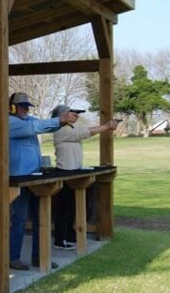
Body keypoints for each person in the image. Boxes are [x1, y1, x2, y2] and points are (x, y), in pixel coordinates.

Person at [8, 92, 78, 271]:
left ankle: (40, 257)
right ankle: (12, 257)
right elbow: (36, 127)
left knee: (41, 219)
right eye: (21, 106)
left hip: (35, 178)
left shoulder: (28, 120)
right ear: (12, 107)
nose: (25, 109)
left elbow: (43, 127)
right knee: (19, 220)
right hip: (19, 179)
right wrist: (60, 119)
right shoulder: (10, 122)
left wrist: (61, 122)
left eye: (26, 106)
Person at [51, 103, 118, 250]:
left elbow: (82, 131)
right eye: (71, 114)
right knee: (64, 208)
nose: (75, 116)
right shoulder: (61, 129)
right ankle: (60, 239)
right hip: (64, 172)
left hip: (73, 172)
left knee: (72, 207)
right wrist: (106, 126)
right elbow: (85, 132)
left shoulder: (69, 129)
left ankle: (69, 236)